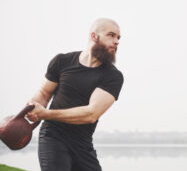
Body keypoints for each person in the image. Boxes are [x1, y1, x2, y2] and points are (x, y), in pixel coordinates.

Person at [25, 18, 124, 171]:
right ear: (94, 36)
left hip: (83, 144)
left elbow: (91, 114)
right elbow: (44, 93)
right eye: (111, 35)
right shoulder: (62, 62)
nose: (116, 41)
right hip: (53, 137)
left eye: (118, 37)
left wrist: (45, 114)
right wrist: (32, 109)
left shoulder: (113, 76)